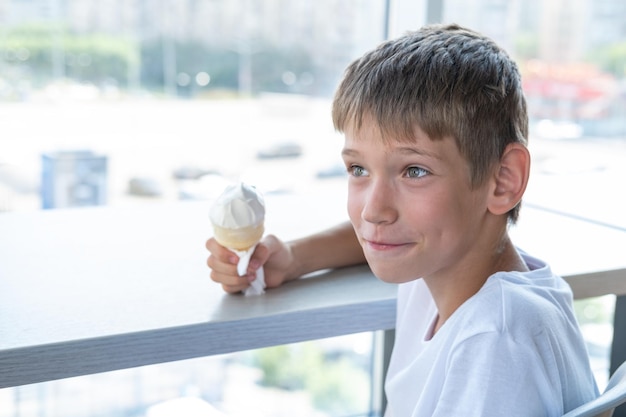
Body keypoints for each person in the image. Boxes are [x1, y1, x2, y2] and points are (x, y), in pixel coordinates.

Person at [206, 23, 599, 416]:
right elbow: (374, 233)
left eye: (414, 171)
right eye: (359, 169)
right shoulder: (449, 261)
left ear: (503, 180)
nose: (374, 211)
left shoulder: (495, 344)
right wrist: (293, 258)